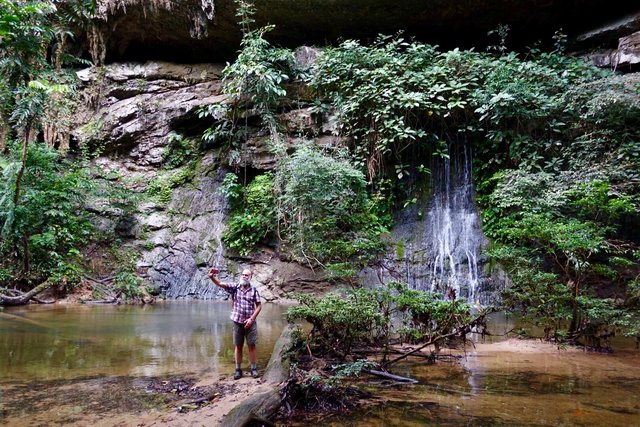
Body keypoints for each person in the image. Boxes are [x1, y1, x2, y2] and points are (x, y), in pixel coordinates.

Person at [209, 267, 262, 379]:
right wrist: (212, 277)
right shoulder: (235, 287)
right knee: (238, 346)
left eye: (247, 275)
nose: (244, 276)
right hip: (237, 321)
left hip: (250, 322)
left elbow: (259, 306)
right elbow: (220, 284)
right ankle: (238, 369)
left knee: (251, 345)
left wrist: (251, 319)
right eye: (243, 274)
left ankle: (253, 369)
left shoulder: (254, 290)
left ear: (250, 277)